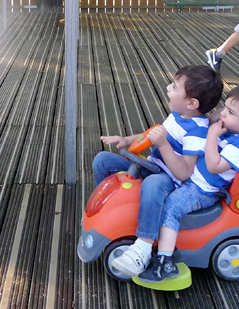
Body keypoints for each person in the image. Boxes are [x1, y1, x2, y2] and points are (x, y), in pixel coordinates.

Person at [92, 65, 223, 277]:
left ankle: (143, 247)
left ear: (192, 103)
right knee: (103, 161)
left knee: (153, 183)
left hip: (168, 179)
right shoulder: (177, 115)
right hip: (152, 165)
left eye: (174, 86)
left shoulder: (197, 132)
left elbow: (184, 173)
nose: (168, 88)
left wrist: (163, 145)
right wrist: (126, 140)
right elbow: (152, 134)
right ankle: (104, 209)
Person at [137, 81, 239, 283]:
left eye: (231, 112)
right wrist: (225, 112)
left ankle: (165, 262)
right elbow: (213, 118)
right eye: (225, 108)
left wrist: (212, 135)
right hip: (194, 182)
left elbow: (214, 166)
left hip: (203, 190)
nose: (223, 114)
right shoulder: (235, 129)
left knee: (171, 207)